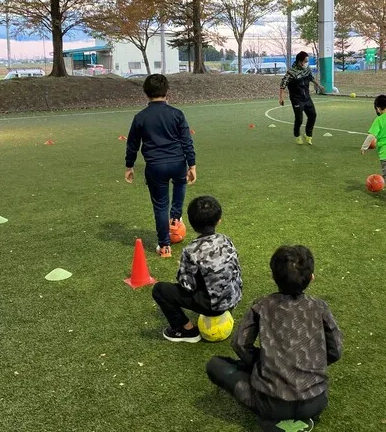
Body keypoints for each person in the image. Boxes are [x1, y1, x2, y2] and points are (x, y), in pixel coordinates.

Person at [206, 245, 342, 432]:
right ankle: (300, 420)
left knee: (215, 365)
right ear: (311, 277)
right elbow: (336, 351)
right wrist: (310, 362)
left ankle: (274, 422)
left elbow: (239, 343)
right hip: (315, 400)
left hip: (271, 403)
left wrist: (263, 362)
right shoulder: (320, 307)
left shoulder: (261, 306)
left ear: (273, 277)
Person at [124, 74, 196, 258]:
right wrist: (192, 164)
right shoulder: (177, 114)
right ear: (167, 92)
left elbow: (132, 143)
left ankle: (164, 246)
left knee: (160, 206)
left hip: (155, 166)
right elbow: (187, 140)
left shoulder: (140, 117)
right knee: (180, 184)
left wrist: (129, 166)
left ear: (146, 93)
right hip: (177, 162)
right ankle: (175, 217)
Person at [152, 196, 242, 343]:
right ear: (219, 220)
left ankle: (186, 330)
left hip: (212, 305)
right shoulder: (226, 240)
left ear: (191, 224)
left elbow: (187, 285)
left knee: (159, 290)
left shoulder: (192, 250)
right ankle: (226, 310)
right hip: (232, 299)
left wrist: (182, 269)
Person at [279, 51, 324, 145]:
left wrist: (319, 85)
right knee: (299, 119)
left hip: (307, 98)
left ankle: (308, 135)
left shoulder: (307, 69)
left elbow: (311, 78)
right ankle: (297, 135)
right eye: (305, 61)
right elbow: (283, 85)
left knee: (313, 115)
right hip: (296, 99)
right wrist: (281, 98)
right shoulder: (291, 73)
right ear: (300, 61)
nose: (307, 62)